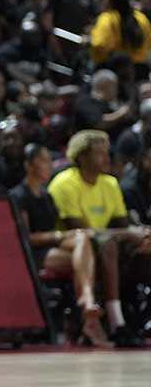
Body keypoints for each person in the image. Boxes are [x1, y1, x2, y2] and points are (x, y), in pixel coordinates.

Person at [50, 129, 150, 347]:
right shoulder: (65, 183)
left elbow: (122, 225)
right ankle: (117, 323)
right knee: (108, 245)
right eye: (99, 153)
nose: (106, 158)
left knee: (143, 247)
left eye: (107, 152)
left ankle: (139, 320)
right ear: (81, 157)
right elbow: (81, 230)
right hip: (72, 246)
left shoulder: (110, 183)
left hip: (106, 244)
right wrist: (128, 234)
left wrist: (140, 236)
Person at [10, 143, 111, 347]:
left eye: (50, 160)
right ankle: (88, 312)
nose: (50, 165)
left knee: (82, 243)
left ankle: (87, 306)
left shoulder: (47, 196)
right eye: (43, 160)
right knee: (85, 261)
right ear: (29, 165)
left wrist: (73, 235)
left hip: (53, 250)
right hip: (31, 255)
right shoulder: (19, 196)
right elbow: (26, 238)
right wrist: (61, 235)